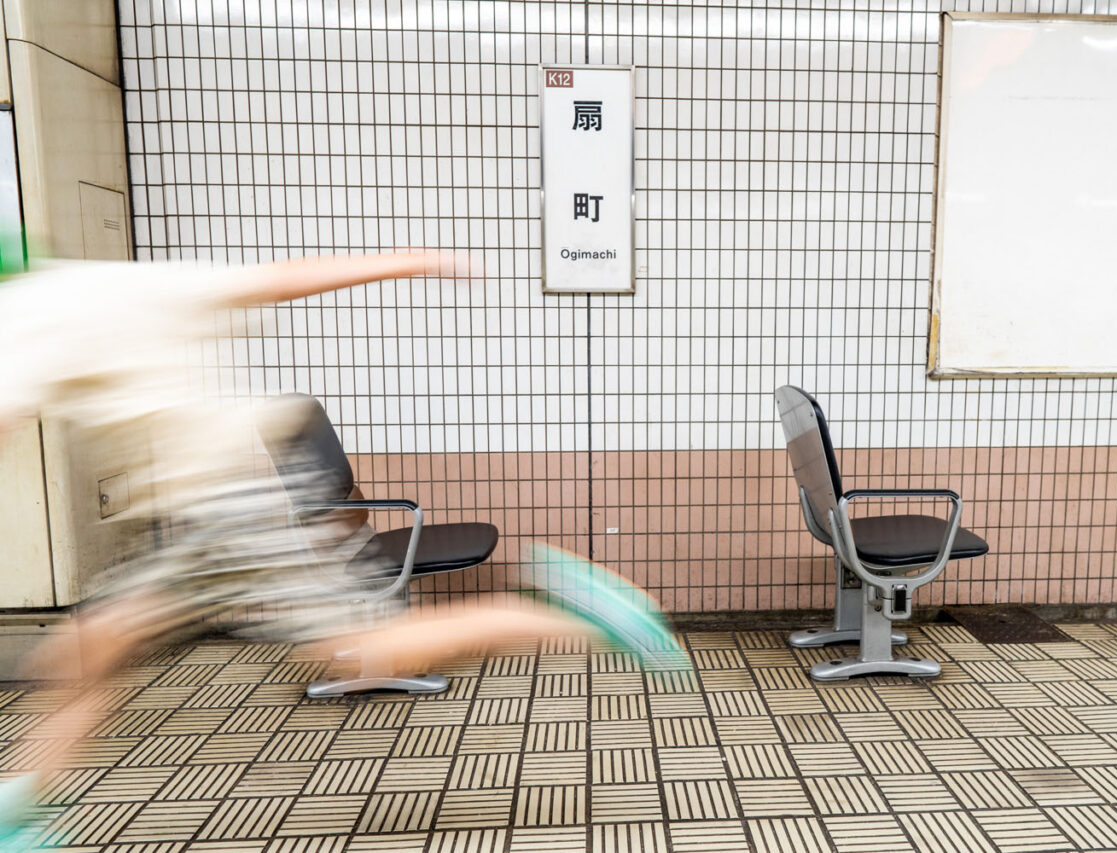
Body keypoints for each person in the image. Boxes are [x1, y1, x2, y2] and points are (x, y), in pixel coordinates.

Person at [0, 251, 683, 850]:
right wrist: (410, 258)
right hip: (225, 498)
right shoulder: (115, 283)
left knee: (363, 651)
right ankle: (21, 811)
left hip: (222, 511)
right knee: (89, 652)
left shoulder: (24, 313)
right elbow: (283, 279)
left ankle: (573, 612)